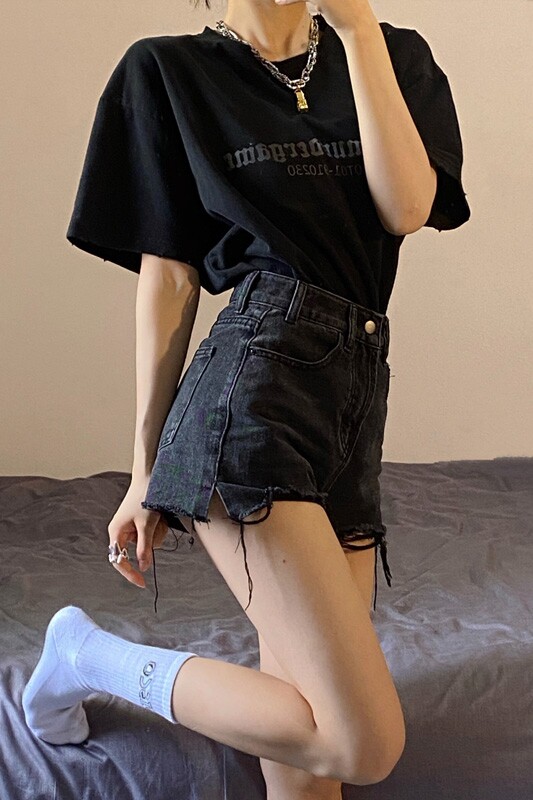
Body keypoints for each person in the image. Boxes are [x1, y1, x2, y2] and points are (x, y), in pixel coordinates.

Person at [23, 0, 470, 796]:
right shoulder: (167, 70)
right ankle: (87, 657)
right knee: (363, 744)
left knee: (314, 736)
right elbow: (169, 279)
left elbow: (404, 207)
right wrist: (144, 468)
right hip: (253, 389)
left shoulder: (389, 54)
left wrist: (357, 30)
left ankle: (84, 658)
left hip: (354, 395)